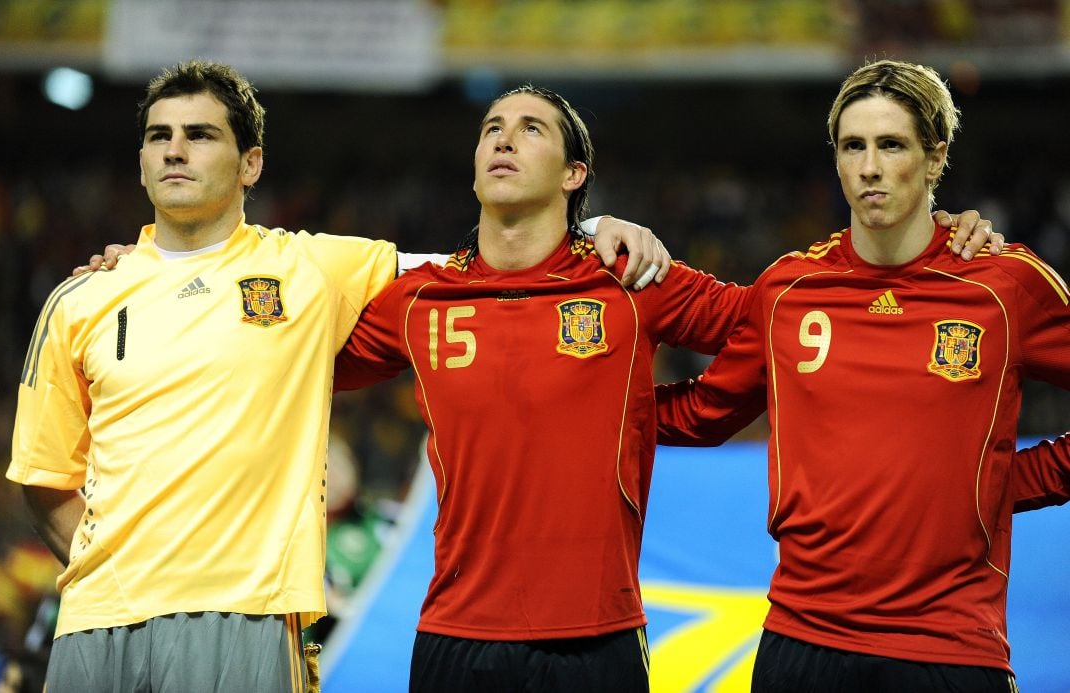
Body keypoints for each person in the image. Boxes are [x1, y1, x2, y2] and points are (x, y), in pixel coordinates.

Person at [5, 61, 668, 693]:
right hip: (96, 621)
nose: (175, 151)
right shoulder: (81, 299)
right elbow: (45, 477)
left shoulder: (314, 270)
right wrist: (120, 576)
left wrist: (592, 225)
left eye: (200, 135)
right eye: (159, 136)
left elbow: (498, 268)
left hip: (249, 615)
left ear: (250, 163)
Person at [328, 83, 1001, 691]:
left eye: (533, 127)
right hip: (455, 639)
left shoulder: (630, 280)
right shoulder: (420, 299)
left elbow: (776, 318)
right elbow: (305, 366)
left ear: (574, 174)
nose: (504, 136)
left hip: (597, 643)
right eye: (492, 126)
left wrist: (932, 240)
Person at [656, 59, 1069, 692]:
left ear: (935, 158)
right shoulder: (789, 288)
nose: (869, 167)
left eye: (891, 145)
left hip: (952, 651)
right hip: (802, 642)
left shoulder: (1005, 287)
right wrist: (590, 410)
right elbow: (706, 412)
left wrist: (1005, 482)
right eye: (853, 146)